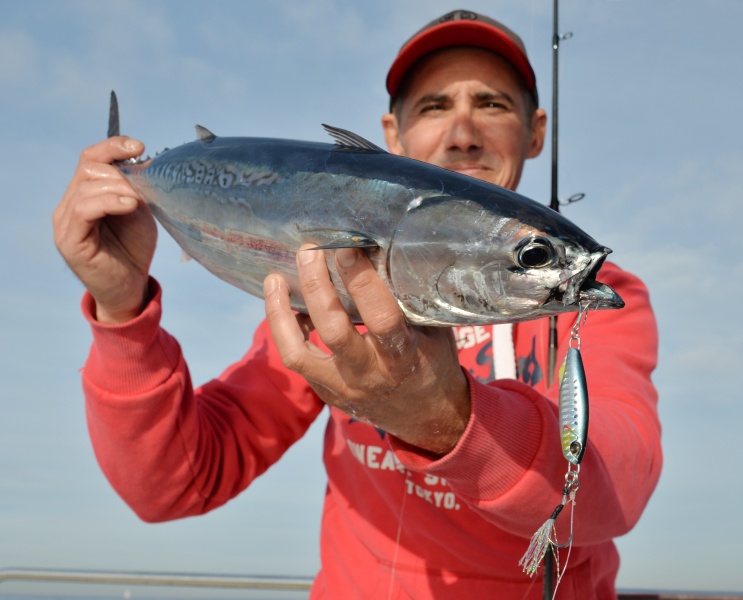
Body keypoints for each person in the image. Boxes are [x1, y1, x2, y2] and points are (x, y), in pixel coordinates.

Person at [53, 9, 661, 600]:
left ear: (536, 132)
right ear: (390, 135)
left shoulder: (598, 303)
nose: (464, 131)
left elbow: (615, 487)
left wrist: (445, 417)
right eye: (433, 105)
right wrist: (120, 307)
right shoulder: (325, 305)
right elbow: (177, 484)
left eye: (493, 104)